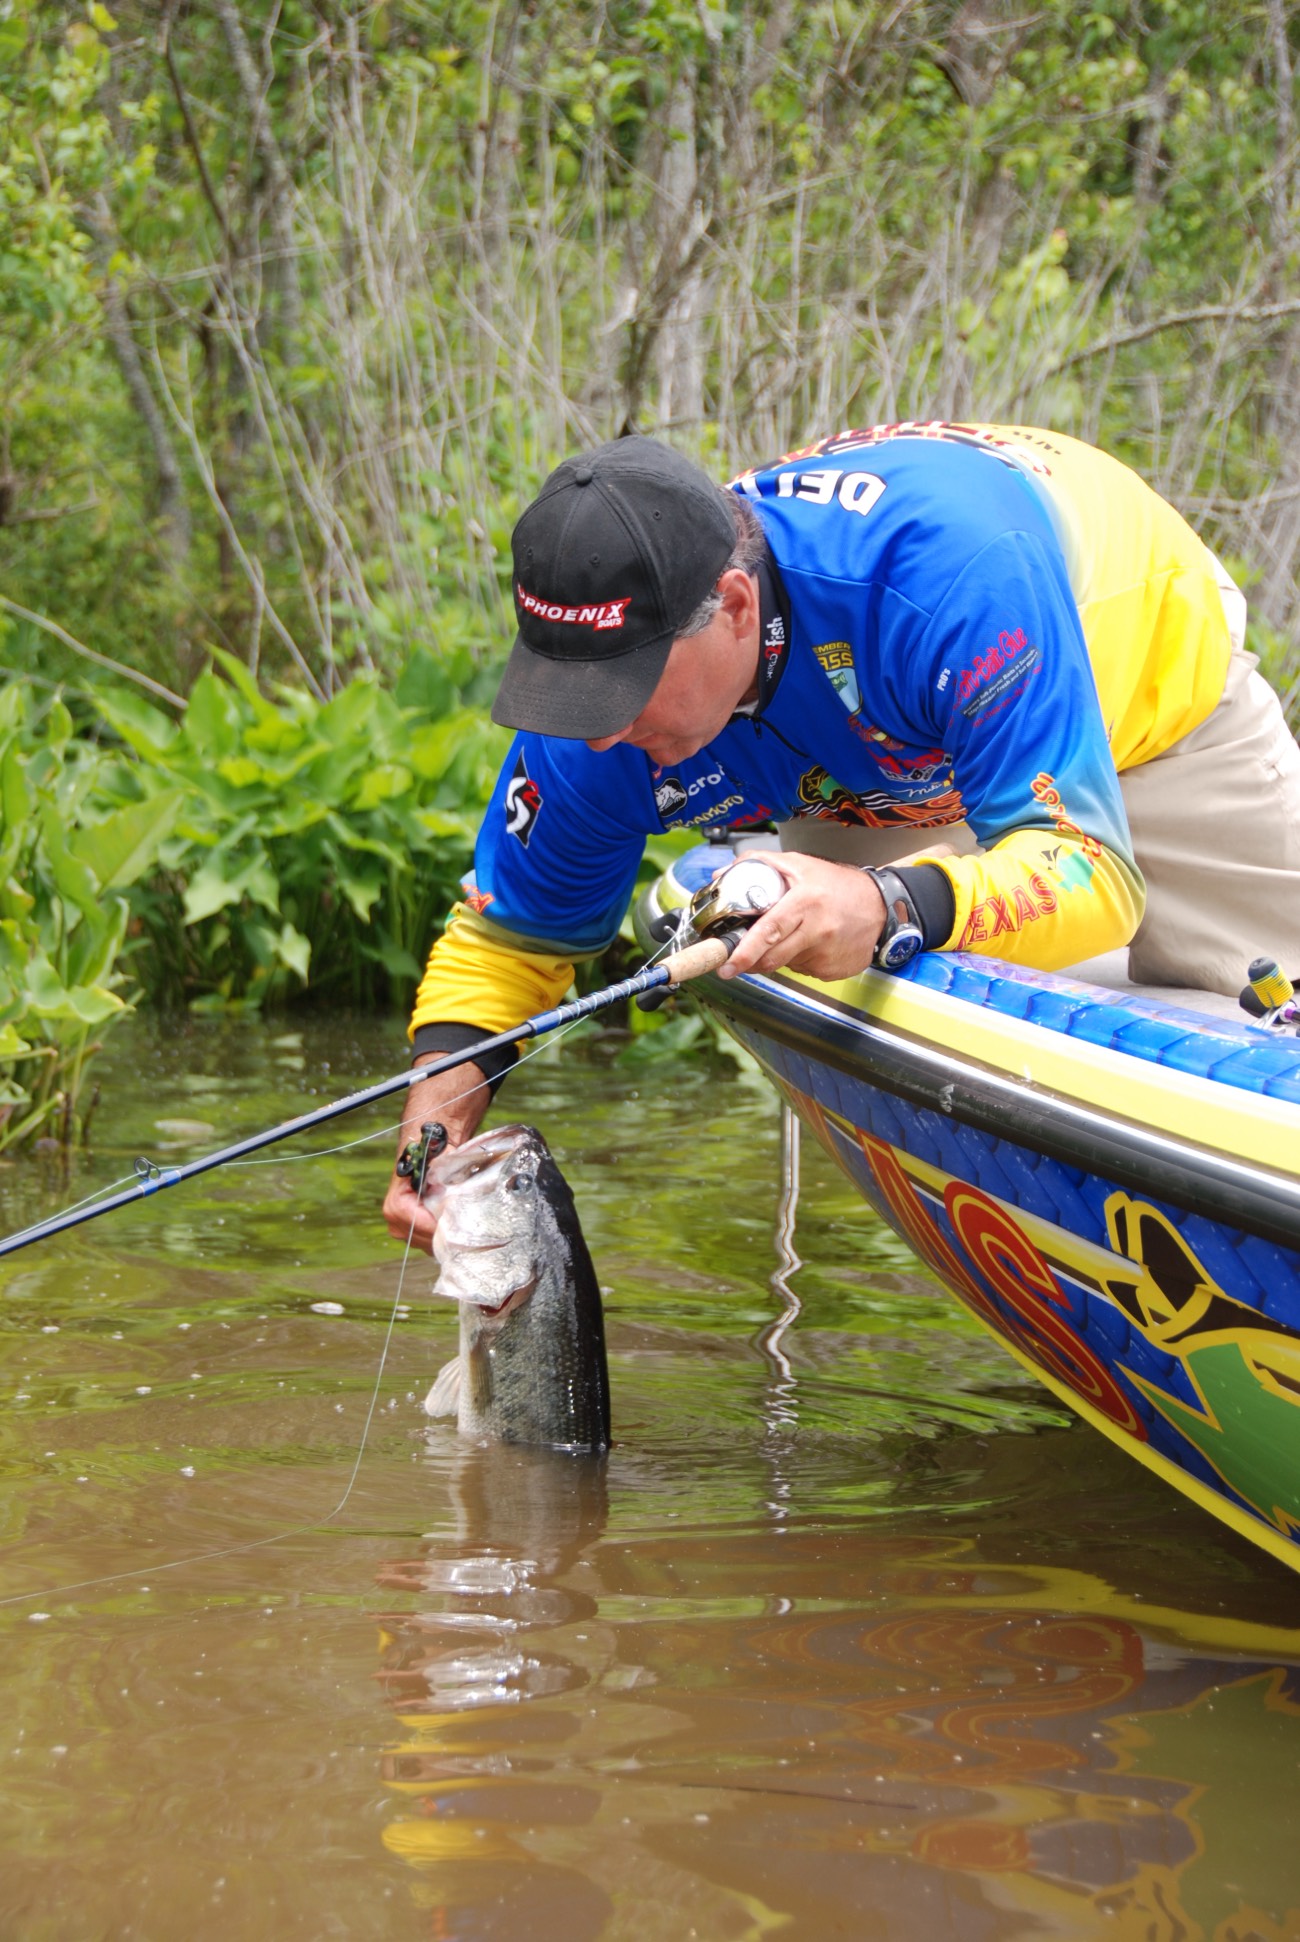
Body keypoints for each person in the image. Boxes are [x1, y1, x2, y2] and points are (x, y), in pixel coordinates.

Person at [384, 423, 1300, 1250]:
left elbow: (1092, 874)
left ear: (735, 606)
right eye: (570, 696)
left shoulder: (945, 578)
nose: (596, 736)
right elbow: (515, 940)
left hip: (1146, 690)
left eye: (621, 691)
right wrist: (436, 1116)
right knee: (871, 963)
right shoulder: (593, 726)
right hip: (890, 758)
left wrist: (884, 899)